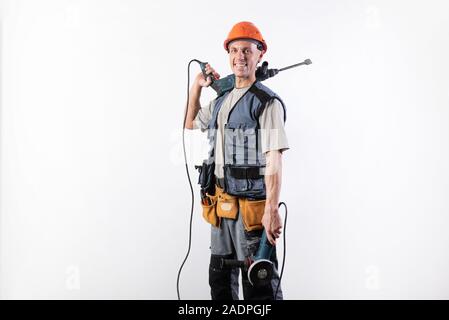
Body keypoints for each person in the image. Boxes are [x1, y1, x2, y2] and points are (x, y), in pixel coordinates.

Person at [184, 21, 289, 300]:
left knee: (259, 288)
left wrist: (271, 210)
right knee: (219, 284)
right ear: (228, 55)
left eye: (247, 50)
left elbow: (274, 161)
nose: (239, 56)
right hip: (220, 209)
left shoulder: (266, 102)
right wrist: (197, 87)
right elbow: (190, 125)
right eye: (234, 50)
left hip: (251, 213)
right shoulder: (221, 100)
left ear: (260, 55)